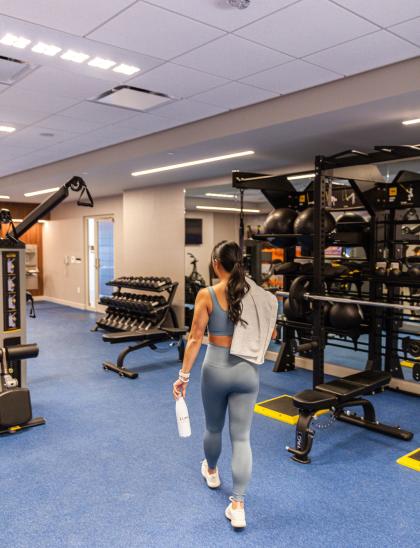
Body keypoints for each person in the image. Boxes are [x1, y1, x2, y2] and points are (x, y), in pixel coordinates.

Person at [173, 240, 278, 529]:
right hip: (247, 372)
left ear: (216, 264)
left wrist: (183, 377)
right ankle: (239, 505)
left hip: (216, 369)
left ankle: (212, 471)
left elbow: (195, 339)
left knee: (213, 428)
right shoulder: (261, 296)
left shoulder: (207, 295)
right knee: (242, 438)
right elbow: (270, 334)